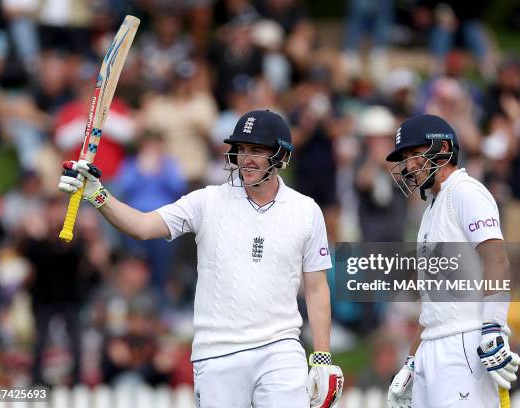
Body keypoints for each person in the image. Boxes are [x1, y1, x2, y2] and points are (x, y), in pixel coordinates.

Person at [58, 109, 343, 407]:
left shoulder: (306, 210)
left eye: (257, 150)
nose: (246, 159)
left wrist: (321, 358)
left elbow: (316, 287)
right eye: (241, 149)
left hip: (280, 349)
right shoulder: (206, 201)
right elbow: (142, 227)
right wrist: (98, 194)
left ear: (281, 156)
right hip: (217, 352)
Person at [384, 114, 520, 407]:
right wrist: (412, 360)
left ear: (444, 148)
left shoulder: (466, 191)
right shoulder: (432, 208)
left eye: (414, 154)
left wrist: (493, 326)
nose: (409, 166)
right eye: (405, 158)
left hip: (465, 345)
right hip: (432, 348)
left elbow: (498, 260)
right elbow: (433, 302)